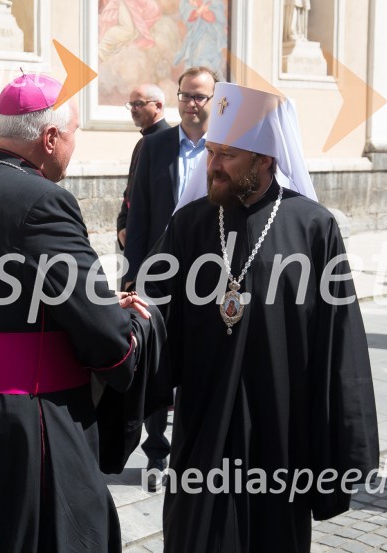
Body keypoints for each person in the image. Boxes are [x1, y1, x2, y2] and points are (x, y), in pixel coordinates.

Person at [139, 83, 379, 552]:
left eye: (228, 155)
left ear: (265, 159)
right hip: (203, 425)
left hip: (280, 429)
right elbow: (153, 307)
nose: (213, 166)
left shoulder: (312, 227)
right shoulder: (191, 224)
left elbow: (338, 339)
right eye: (211, 152)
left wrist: (343, 442)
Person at [0, 73, 157, 552]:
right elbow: (107, 338)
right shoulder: (43, 201)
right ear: (50, 139)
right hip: (23, 420)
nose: (74, 148)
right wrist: (131, 323)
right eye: (73, 136)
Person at [124, 66, 217, 490]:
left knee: (202, 360)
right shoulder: (156, 146)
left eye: (200, 97)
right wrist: (133, 276)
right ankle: (157, 452)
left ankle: (196, 449)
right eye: (186, 96)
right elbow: (139, 215)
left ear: (215, 101)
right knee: (157, 364)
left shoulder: (225, 148)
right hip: (160, 274)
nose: (192, 104)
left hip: (210, 276)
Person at [116, 83, 170, 250]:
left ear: (158, 106)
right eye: (131, 105)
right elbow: (131, 190)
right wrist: (123, 225)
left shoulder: (168, 143)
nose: (133, 109)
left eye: (138, 104)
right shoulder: (143, 142)